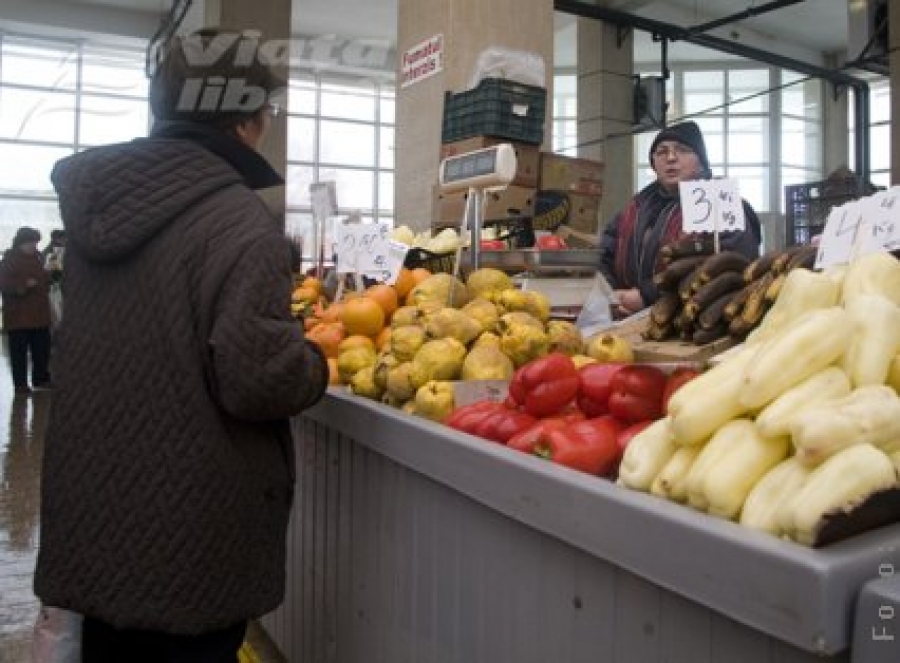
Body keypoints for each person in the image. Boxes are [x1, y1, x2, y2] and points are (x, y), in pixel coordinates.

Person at [34, 27, 329, 663]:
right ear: (248, 118)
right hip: (190, 531)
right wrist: (312, 361)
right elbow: (259, 380)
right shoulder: (237, 219)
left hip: (96, 510)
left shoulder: (98, 210)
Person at [599, 120, 762, 317]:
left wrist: (648, 296)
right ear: (653, 163)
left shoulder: (720, 202)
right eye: (661, 151)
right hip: (624, 318)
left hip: (696, 321)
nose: (671, 158)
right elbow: (604, 253)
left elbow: (734, 261)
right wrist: (610, 295)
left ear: (700, 161)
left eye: (682, 150)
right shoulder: (635, 208)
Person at [0, 227, 53, 394]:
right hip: (18, 316)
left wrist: (49, 275)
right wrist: (23, 285)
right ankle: (21, 384)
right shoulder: (9, 260)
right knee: (19, 352)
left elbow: (44, 280)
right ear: (21, 243)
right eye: (31, 242)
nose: (34, 246)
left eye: (36, 243)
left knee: (42, 350)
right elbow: (4, 284)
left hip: (39, 314)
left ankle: (41, 379)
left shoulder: (38, 258)